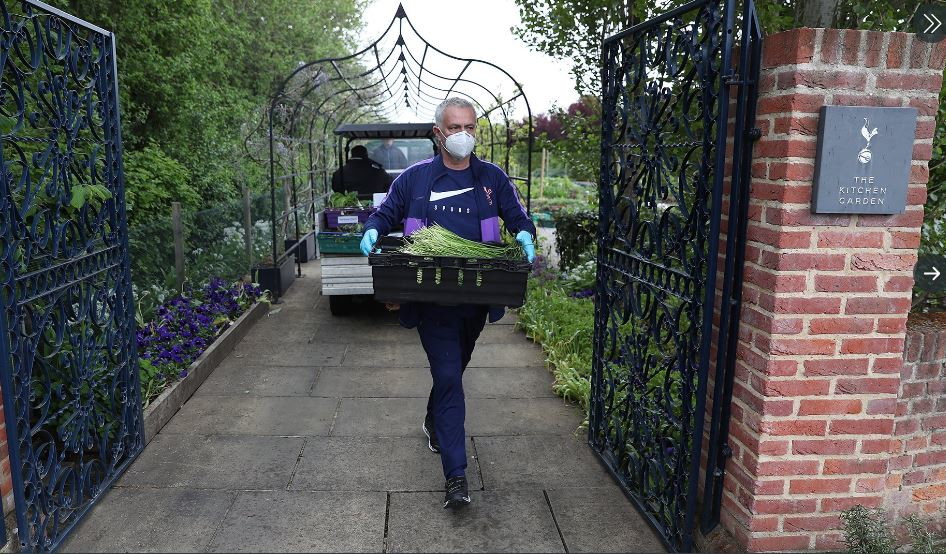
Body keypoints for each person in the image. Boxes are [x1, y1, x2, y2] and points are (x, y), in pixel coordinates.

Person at [359, 97, 536, 510]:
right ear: (438, 133)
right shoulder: (414, 179)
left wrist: (525, 233)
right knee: (450, 376)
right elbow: (384, 215)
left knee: (453, 368)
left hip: (477, 296)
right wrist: (371, 230)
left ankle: (433, 418)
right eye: (455, 128)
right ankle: (456, 476)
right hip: (430, 295)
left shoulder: (491, 177)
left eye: (471, 128)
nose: (464, 135)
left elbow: (516, 215)